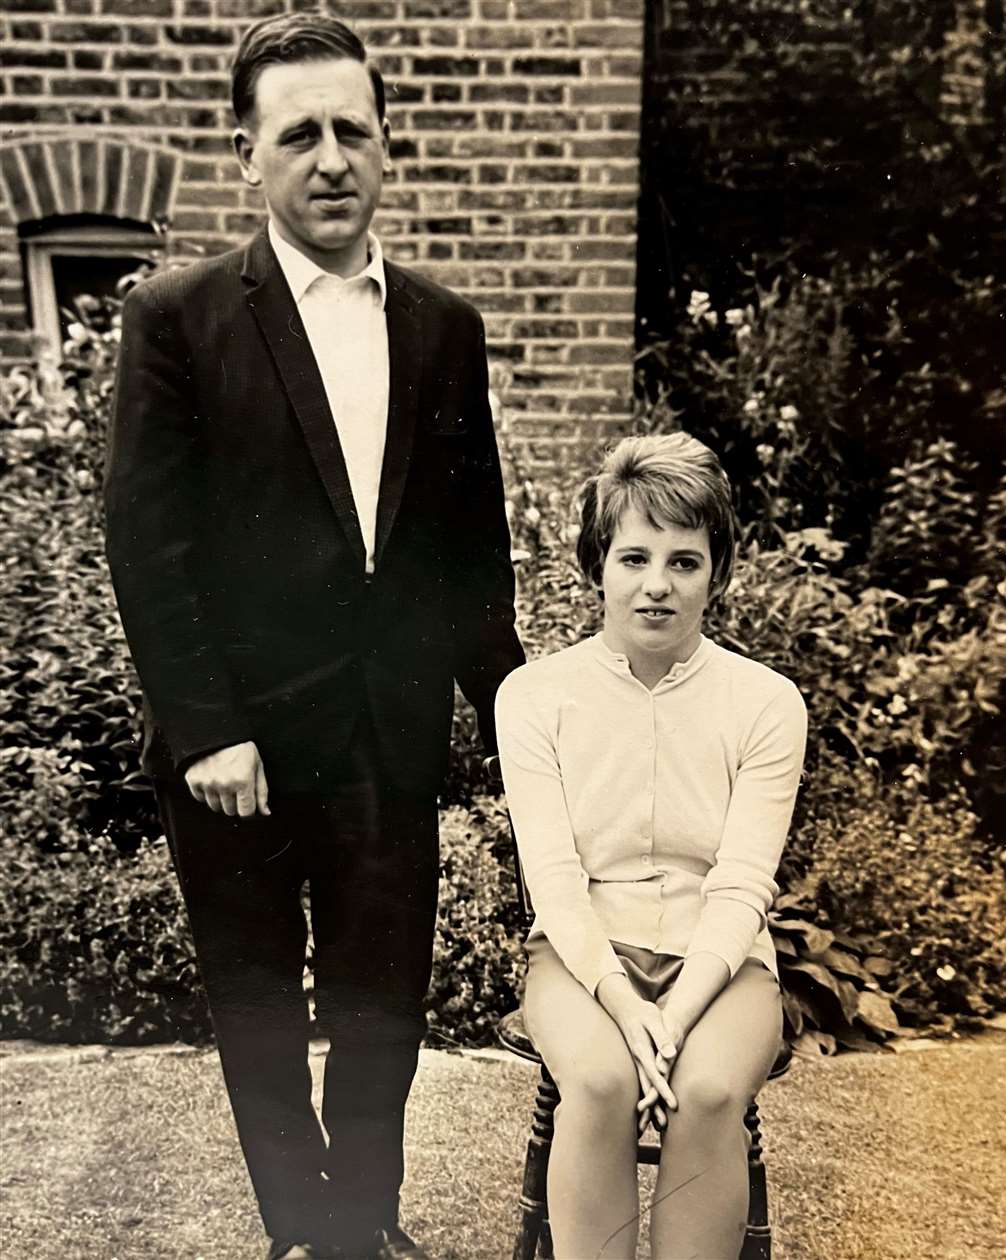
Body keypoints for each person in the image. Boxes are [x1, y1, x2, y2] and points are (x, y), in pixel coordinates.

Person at [104, 14, 524, 1260]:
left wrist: (518, 719)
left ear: (387, 145)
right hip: (238, 748)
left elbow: (470, 549)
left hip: (386, 731)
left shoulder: (445, 328)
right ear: (249, 156)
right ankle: (302, 1232)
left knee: (384, 1000)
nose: (330, 157)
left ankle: (363, 1228)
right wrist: (208, 728)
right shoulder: (178, 320)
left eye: (353, 129)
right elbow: (148, 540)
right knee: (258, 1010)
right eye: (299, 134)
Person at [494, 433, 807, 1260]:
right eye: (634, 557)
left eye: (684, 561)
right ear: (598, 564)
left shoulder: (767, 704)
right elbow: (554, 882)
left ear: (718, 572)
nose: (657, 585)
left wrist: (675, 1012)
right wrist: (628, 1006)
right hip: (581, 952)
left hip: (725, 959)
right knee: (596, 1083)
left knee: (707, 1090)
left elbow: (742, 883)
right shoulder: (534, 697)